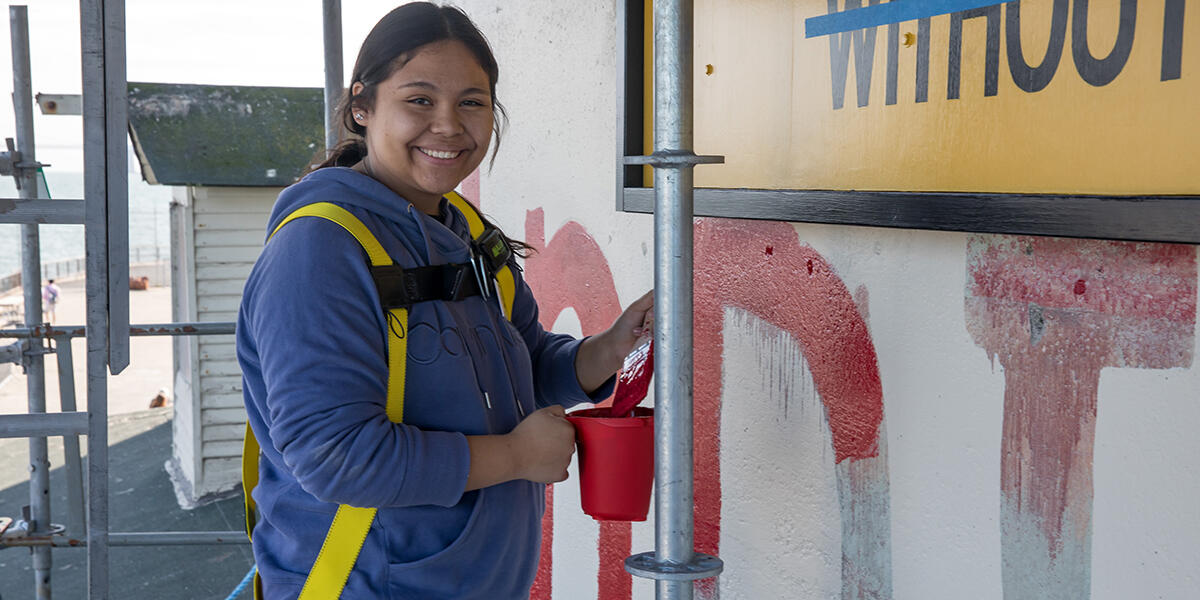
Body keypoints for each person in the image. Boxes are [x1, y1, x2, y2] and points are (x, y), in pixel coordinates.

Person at [236, 4, 652, 599]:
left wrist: (613, 347)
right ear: (362, 106)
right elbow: (336, 457)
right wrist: (513, 456)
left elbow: (526, 368)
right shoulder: (320, 251)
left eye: (472, 102)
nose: (450, 126)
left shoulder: (468, 234)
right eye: (420, 100)